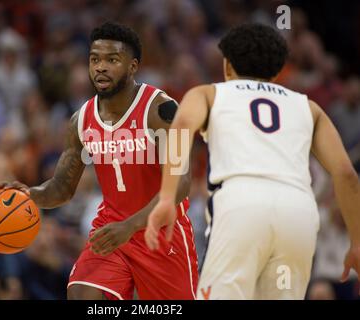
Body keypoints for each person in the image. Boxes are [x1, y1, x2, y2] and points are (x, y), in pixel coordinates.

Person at [145, 23, 360, 300]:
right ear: (277, 69)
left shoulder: (208, 94)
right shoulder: (308, 107)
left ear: (228, 66)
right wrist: (356, 241)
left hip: (241, 203)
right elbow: (346, 174)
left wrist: (166, 198)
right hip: (298, 212)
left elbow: (182, 126)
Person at [0, 22, 198, 300]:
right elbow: (62, 188)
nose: (101, 67)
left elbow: (181, 184)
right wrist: (29, 195)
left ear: (132, 66)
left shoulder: (161, 110)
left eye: (112, 60)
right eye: (94, 59)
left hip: (160, 233)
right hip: (111, 230)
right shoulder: (81, 120)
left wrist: (131, 226)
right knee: (82, 294)